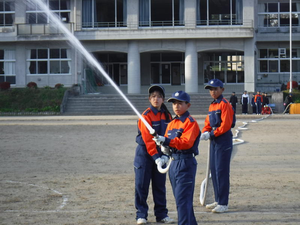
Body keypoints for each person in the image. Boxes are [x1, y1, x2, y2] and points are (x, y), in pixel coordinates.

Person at [153, 91, 200, 225]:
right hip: (174, 162)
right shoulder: (172, 123)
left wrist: (166, 141)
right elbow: (169, 142)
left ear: (188, 105)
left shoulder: (190, 122)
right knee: (181, 201)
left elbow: (186, 143)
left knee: (183, 201)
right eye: (174, 103)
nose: (176, 106)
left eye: (180, 103)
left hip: (185, 162)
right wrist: (163, 147)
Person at [134, 85, 174, 225]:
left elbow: (169, 134)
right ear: (149, 99)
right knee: (141, 185)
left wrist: (166, 154)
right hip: (145, 155)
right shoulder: (145, 116)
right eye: (153, 96)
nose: (156, 99)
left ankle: (161, 214)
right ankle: (141, 215)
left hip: (161, 154)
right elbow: (148, 140)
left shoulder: (167, 115)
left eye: (159, 96)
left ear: (163, 99)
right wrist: (156, 157)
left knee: (159, 186)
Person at [200, 79, 235, 213]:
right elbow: (208, 122)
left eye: (215, 89)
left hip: (223, 139)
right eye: (211, 89)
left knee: (221, 171)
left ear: (222, 90)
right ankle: (217, 199)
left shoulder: (224, 104)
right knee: (213, 170)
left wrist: (211, 134)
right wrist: (205, 132)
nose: (213, 91)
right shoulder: (212, 105)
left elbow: (225, 125)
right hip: (214, 139)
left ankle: (223, 202)